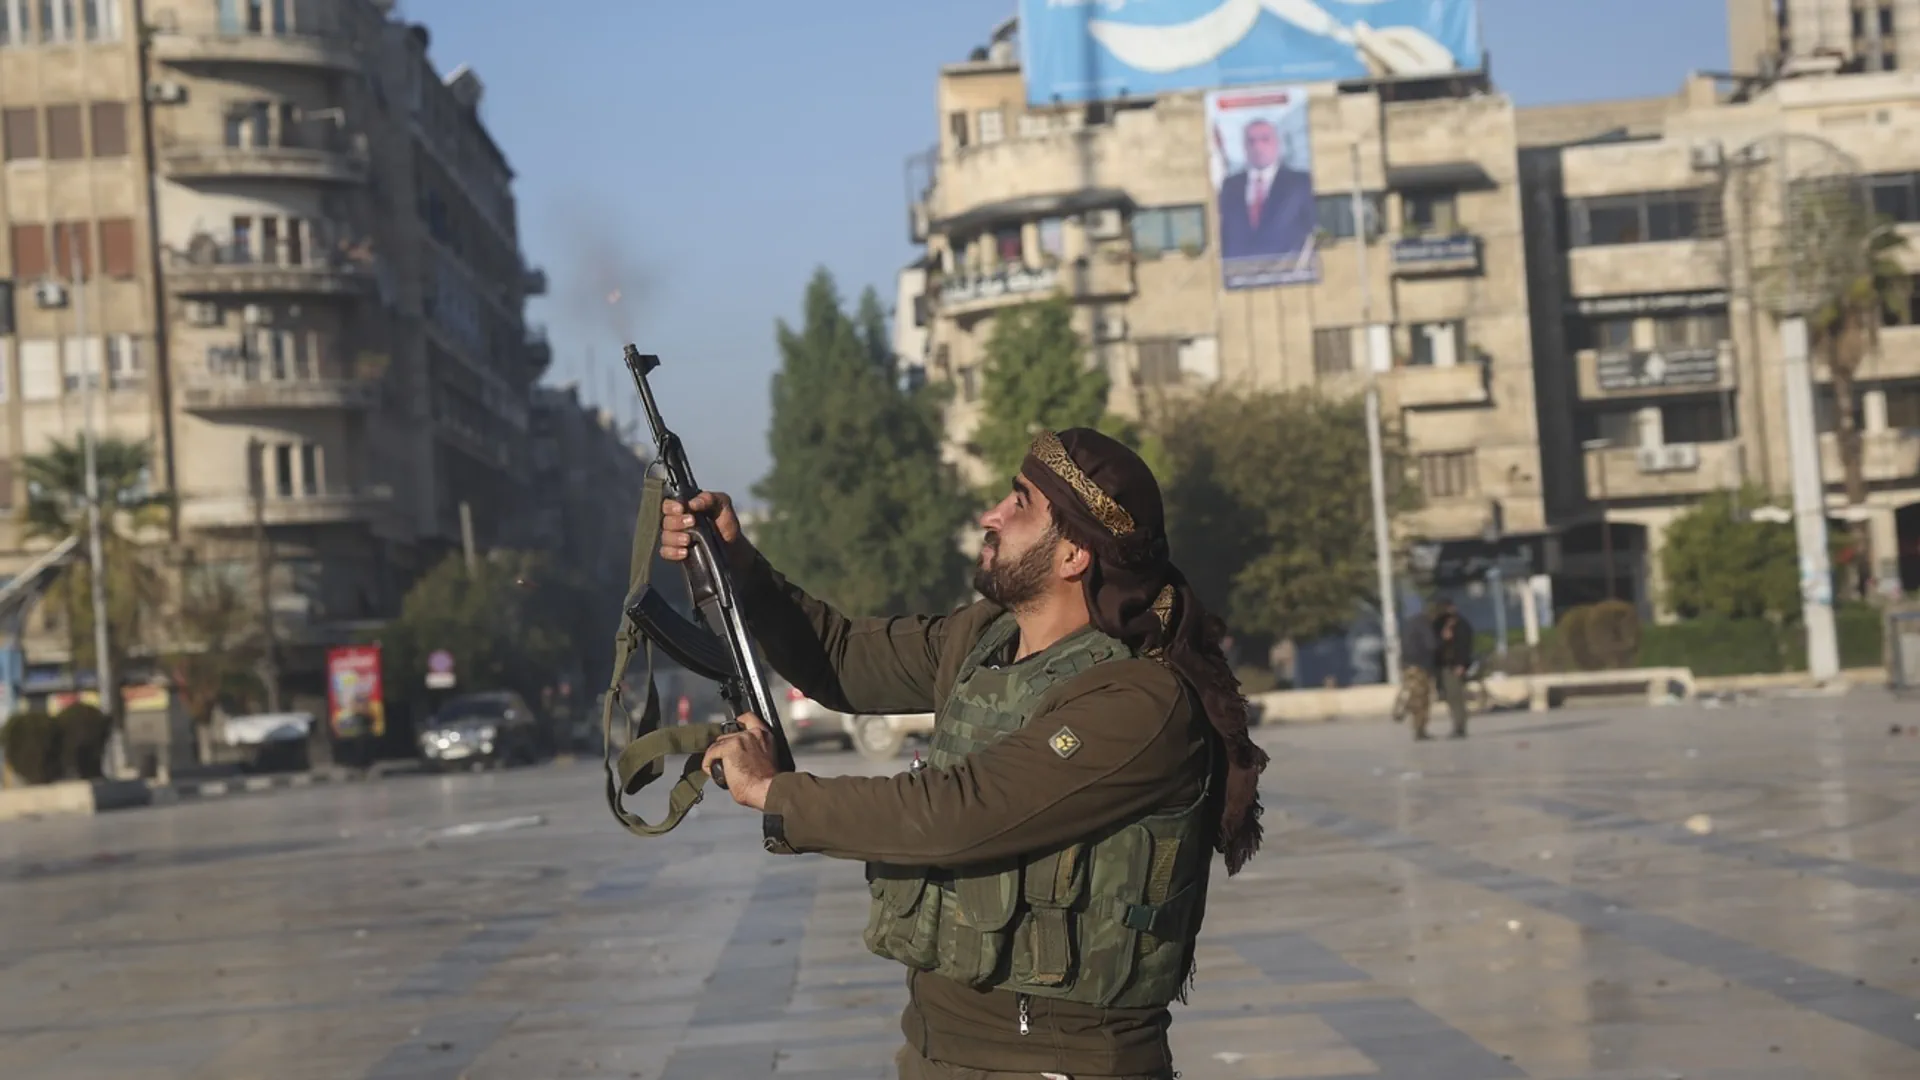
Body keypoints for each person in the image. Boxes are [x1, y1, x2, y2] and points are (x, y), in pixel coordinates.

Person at [662, 428, 1270, 1080]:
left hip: (1062, 1062)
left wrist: (776, 792)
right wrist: (739, 567)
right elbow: (841, 657)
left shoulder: (1140, 703)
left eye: (1020, 503)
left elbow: (958, 813)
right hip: (937, 1046)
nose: (992, 516)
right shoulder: (983, 637)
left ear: (1074, 554)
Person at [1216, 118, 1315, 261]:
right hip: (1240, 272)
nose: (1258, 147)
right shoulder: (1230, 186)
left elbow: (1310, 228)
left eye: (1265, 139)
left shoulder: (1299, 183)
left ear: (1277, 143)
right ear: (1244, 147)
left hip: (1288, 269)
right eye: (1251, 141)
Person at [1431, 600, 1474, 739]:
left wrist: (1461, 664)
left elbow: (1464, 647)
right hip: (1444, 666)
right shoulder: (1439, 625)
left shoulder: (1462, 626)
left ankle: (1460, 726)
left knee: (1457, 697)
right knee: (1450, 697)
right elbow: (1435, 645)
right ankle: (1457, 725)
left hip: (1455, 666)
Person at [1395, 606, 1437, 739]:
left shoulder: (1411, 623)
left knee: (1412, 692)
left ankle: (1404, 709)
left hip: (1408, 665)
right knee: (1421, 698)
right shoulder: (1424, 624)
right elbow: (1431, 644)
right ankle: (1419, 728)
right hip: (1420, 666)